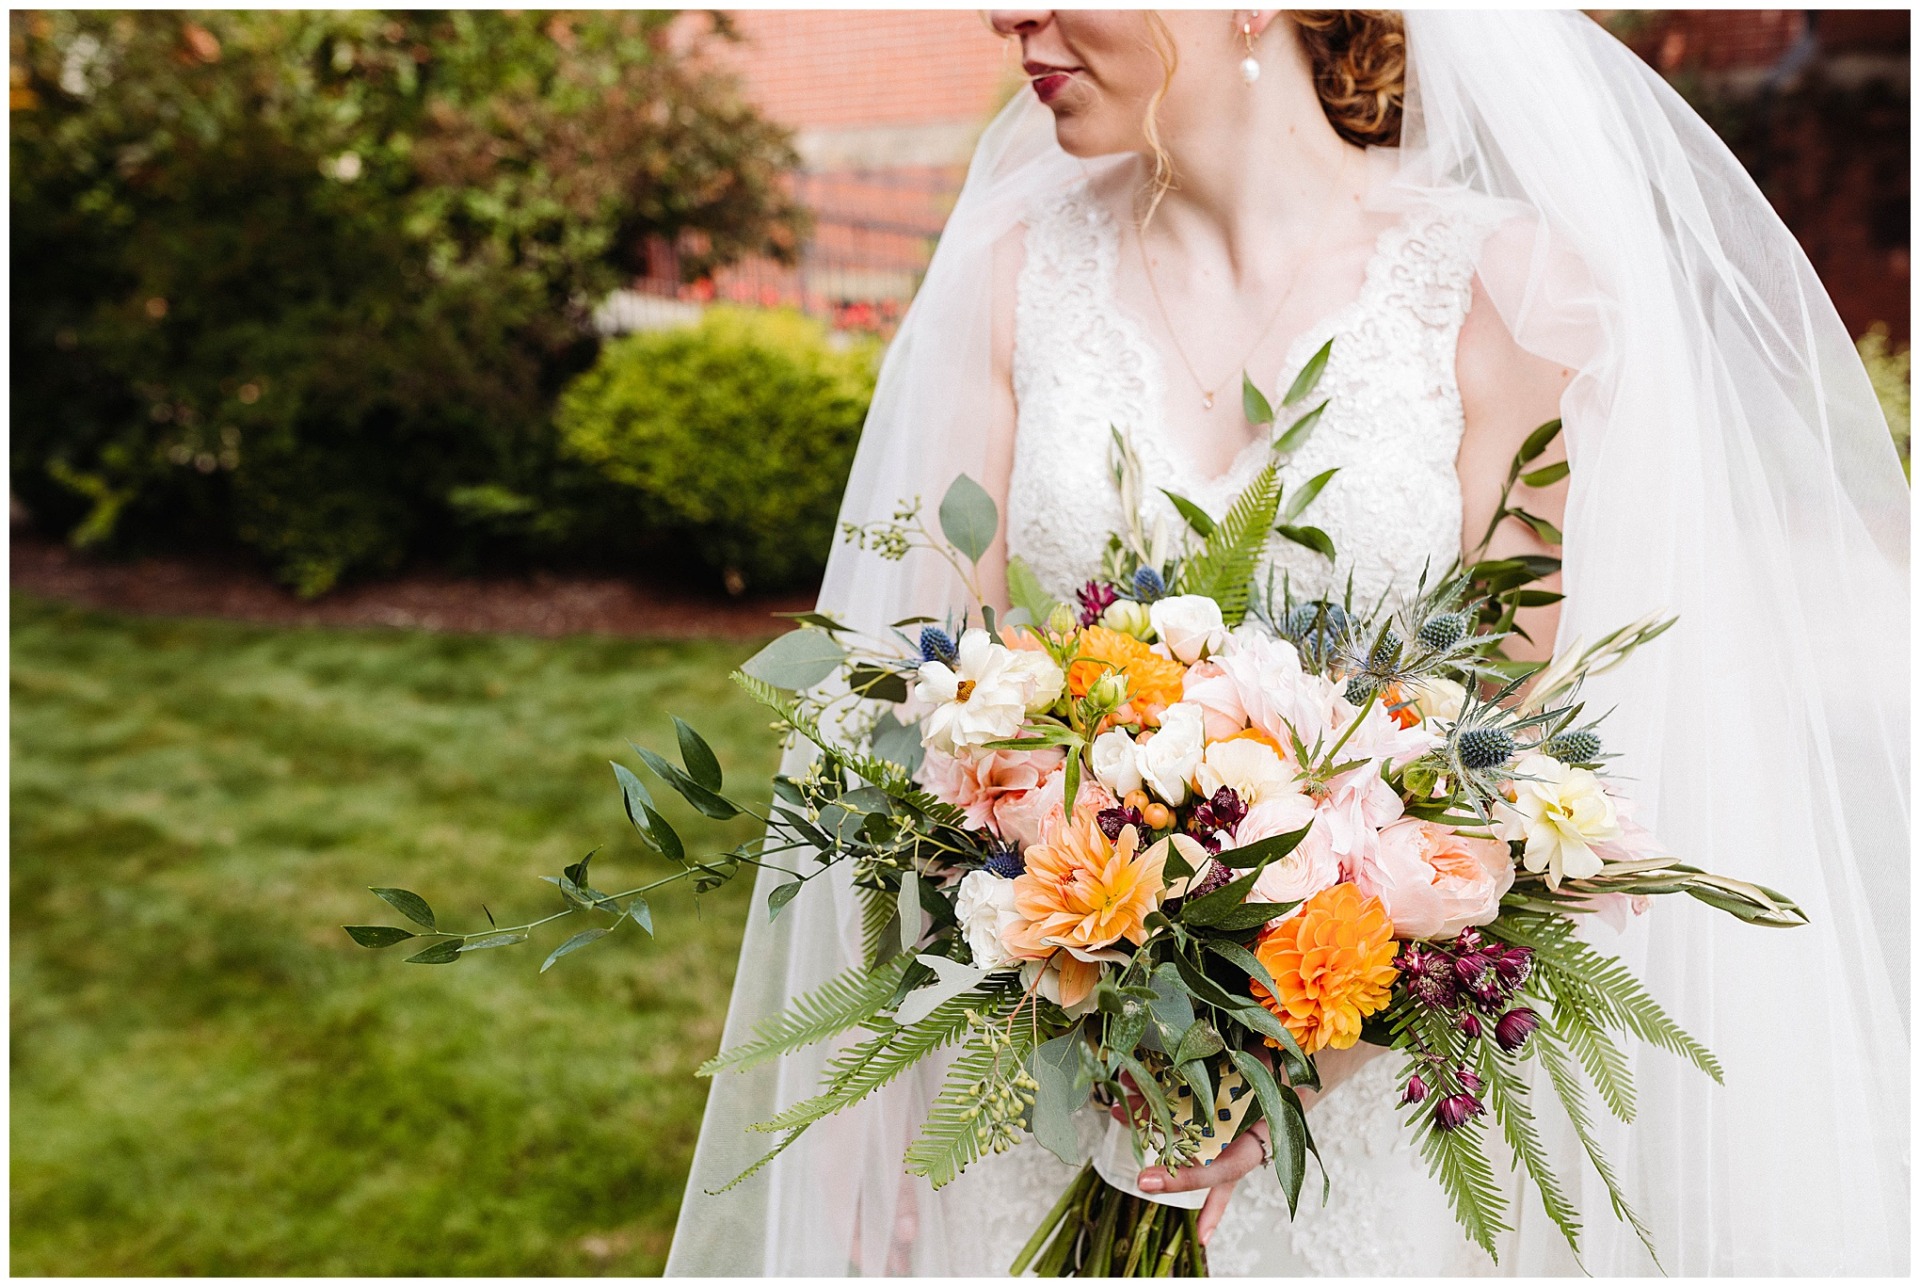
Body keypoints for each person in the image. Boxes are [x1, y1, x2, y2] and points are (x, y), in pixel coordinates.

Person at [668, 11, 1908, 1276]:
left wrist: (1287, 1060)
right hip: (1051, 1080)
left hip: (1377, 1110)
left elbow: (1530, 762)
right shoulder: (1009, 274)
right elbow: (924, 711)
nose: (1007, 15)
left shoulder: (1512, 297)